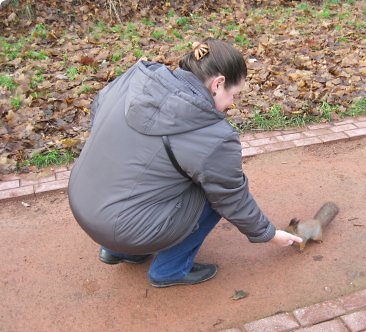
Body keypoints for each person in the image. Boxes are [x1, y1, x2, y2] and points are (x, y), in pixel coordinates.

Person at [68, 38, 302, 288]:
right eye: (233, 94)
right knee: (213, 194)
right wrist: (269, 234)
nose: (232, 103)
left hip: (84, 205)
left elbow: (97, 116)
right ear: (218, 83)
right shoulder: (213, 136)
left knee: (137, 165)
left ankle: (118, 251)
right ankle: (170, 269)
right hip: (125, 229)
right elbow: (231, 198)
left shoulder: (134, 79)